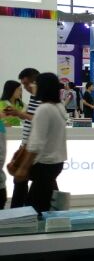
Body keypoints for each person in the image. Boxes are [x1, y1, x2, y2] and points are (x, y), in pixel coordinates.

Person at [12, 73, 67, 214]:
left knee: (35, 207)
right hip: (56, 162)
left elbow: (36, 143)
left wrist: (23, 168)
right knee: (44, 200)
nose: (32, 87)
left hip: (44, 163)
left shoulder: (44, 109)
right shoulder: (59, 106)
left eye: (35, 84)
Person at [6, 69, 40, 208]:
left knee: (22, 180)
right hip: (27, 146)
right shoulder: (33, 98)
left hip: (33, 148)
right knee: (22, 181)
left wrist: (20, 114)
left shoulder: (41, 99)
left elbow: (39, 119)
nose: (24, 88)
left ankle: (19, 211)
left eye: (26, 84)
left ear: (34, 82)